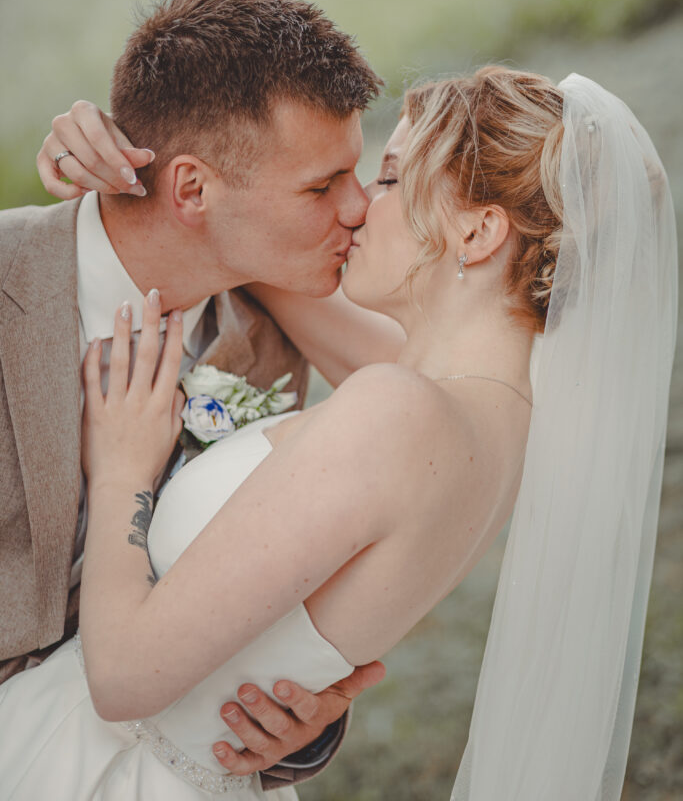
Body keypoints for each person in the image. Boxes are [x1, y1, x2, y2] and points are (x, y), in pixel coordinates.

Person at [2, 63, 675, 800]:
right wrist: (144, 167)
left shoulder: (398, 413)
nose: (357, 207)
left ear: (478, 232)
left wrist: (126, 465)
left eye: (388, 179)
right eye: (335, 184)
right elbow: (251, 257)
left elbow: (126, 675)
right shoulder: (503, 421)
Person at [0, 0, 399, 791]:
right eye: (320, 187)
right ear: (189, 190)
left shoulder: (268, 338)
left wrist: (296, 727)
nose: (357, 209)